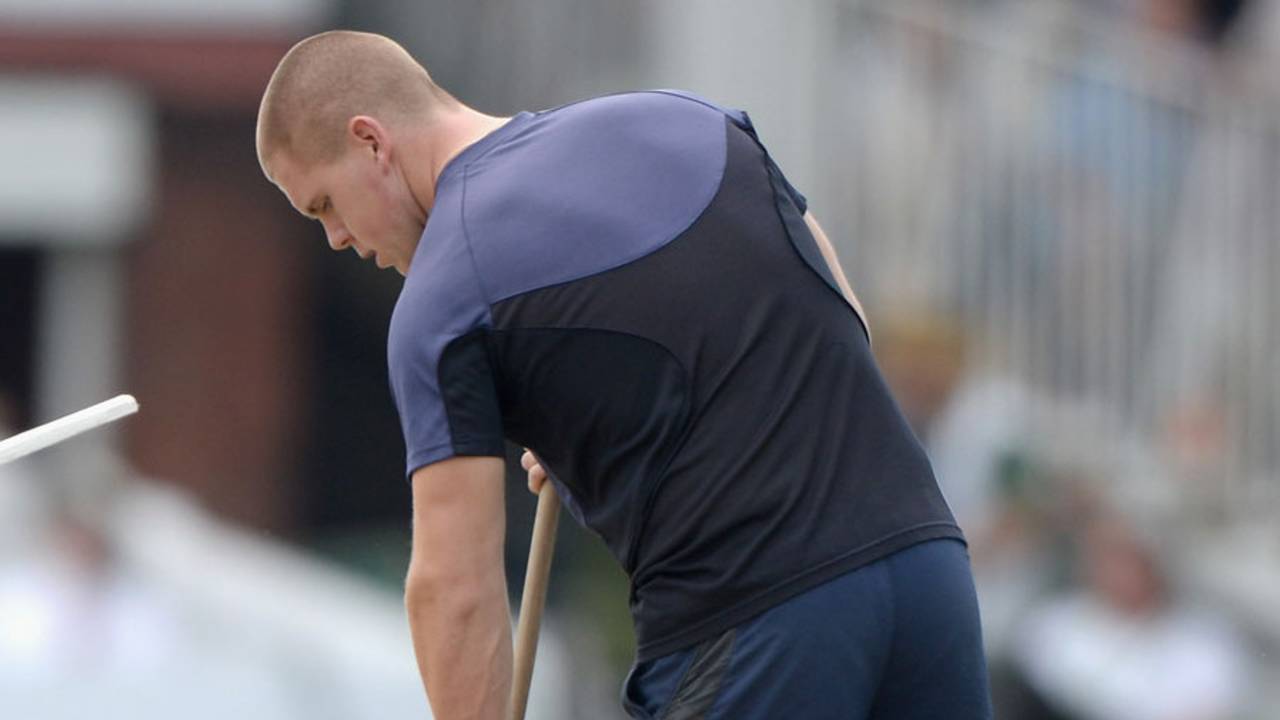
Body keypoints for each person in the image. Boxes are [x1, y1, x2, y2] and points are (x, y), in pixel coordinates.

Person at [255, 30, 991, 719]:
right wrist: (600, 420)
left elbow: (454, 591)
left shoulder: (441, 300)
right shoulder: (685, 120)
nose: (337, 237)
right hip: (926, 571)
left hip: (755, 621)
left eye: (324, 204)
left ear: (371, 141)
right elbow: (834, 303)